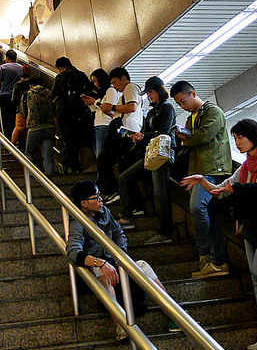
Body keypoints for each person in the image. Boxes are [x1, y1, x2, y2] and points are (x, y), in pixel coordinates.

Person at [181, 119, 257, 350]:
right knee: (256, 281)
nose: (236, 142)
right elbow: (221, 191)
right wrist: (201, 180)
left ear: (253, 136)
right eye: (234, 138)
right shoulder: (244, 168)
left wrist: (237, 190)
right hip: (250, 227)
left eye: (240, 137)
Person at [66, 180, 179, 339]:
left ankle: (174, 314)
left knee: (143, 266)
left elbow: (119, 234)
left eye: (99, 195)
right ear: (84, 203)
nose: (101, 200)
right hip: (97, 267)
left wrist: (121, 254)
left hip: (114, 261)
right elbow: (72, 251)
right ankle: (119, 325)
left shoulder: (105, 212)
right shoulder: (77, 223)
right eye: (96, 197)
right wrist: (99, 262)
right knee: (102, 272)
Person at [171, 80, 232, 279]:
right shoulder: (191, 119)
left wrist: (185, 137)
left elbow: (204, 136)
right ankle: (218, 262)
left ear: (193, 93)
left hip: (213, 168)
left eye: (183, 100)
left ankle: (205, 254)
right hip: (198, 170)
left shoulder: (214, 112)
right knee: (209, 215)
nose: (182, 106)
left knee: (197, 208)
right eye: (179, 104)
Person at [118, 77, 176, 241]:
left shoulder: (167, 108)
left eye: (150, 92)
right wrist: (138, 138)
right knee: (124, 178)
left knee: (160, 193)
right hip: (151, 154)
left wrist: (143, 136)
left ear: (158, 91)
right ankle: (126, 217)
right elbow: (147, 132)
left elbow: (163, 132)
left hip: (163, 154)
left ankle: (165, 232)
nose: (149, 96)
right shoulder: (150, 112)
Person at [98, 67, 142, 206]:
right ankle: (133, 204)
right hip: (126, 131)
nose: (115, 86)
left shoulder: (130, 87)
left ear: (124, 78)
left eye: (116, 82)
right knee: (123, 166)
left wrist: (111, 107)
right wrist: (111, 111)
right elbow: (125, 111)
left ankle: (114, 192)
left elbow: (132, 107)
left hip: (125, 133)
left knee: (105, 159)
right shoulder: (127, 92)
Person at [51, 57, 92, 174]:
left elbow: (53, 94)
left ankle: (70, 165)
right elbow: (89, 90)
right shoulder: (82, 75)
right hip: (79, 112)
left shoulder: (61, 77)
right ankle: (73, 165)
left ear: (61, 68)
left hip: (64, 113)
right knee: (76, 139)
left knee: (69, 139)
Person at [19, 76, 55, 174]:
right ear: (42, 84)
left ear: (31, 85)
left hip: (34, 127)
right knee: (48, 156)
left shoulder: (27, 95)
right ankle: (51, 179)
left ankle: (32, 176)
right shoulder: (49, 93)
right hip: (49, 127)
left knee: (29, 152)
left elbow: (22, 113)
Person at [0, 50, 24, 139]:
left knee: (4, 118)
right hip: (16, 96)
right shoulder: (20, 67)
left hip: (4, 95)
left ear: (7, 58)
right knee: (13, 117)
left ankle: (6, 139)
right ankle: (14, 138)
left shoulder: (3, 67)